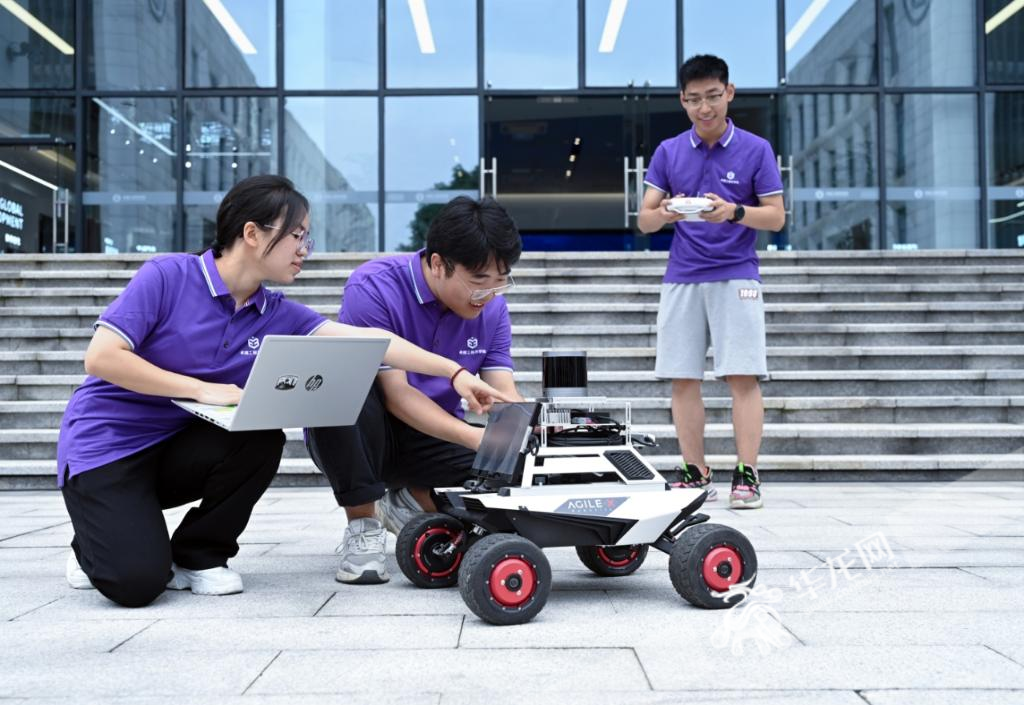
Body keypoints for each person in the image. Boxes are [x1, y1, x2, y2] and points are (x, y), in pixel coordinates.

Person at [57, 175, 506, 608]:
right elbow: (102, 357)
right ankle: (96, 537)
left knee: (259, 433)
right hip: (108, 448)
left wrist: (454, 373)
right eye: (298, 236)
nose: (304, 250)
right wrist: (200, 388)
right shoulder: (167, 277)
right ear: (252, 233)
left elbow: (373, 343)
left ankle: (199, 555)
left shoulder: (274, 311)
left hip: (176, 449)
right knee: (136, 584)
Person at [306, 196, 524, 585]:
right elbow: (396, 396)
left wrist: (522, 435)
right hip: (366, 431)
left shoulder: (493, 309)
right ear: (438, 263)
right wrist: (478, 439)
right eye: (478, 281)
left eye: (500, 280)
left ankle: (409, 498)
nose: (488, 295)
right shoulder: (374, 287)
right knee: (340, 380)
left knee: (502, 491)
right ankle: (363, 526)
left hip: (436, 431)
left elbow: (504, 393)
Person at [637, 54, 785, 510]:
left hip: (737, 274)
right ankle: (694, 471)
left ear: (730, 93)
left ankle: (748, 473)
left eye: (713, 97)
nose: (705, 108)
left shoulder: (756, 149)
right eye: (695, 99)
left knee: (742, 376)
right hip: (682, 275)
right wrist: (663, 214)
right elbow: (644, 220)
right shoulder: (669, 151)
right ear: (683, 100)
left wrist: (734, 211)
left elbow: (776, 218)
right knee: (683, 377)